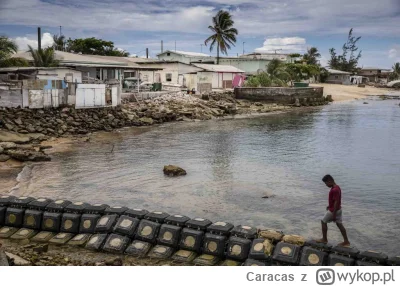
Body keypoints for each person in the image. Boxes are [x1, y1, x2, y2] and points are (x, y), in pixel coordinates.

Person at [317, 175, 350, 247]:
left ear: (330, 181)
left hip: (334, 210)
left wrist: (334, 213)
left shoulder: (334, 189)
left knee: (323, 221)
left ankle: (324, 239)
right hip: (338, 209)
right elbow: (335, 200)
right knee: (339, 224)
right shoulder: (337, 187)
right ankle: (346, 241)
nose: (326, 185)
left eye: (326, 183)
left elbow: (336, 201)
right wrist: (329, 205)